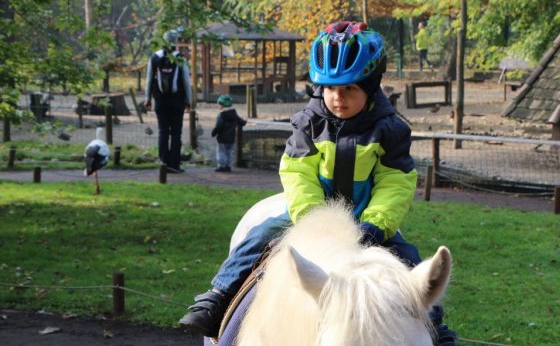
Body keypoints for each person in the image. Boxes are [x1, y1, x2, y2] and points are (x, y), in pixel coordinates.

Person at [179, 21, 460, 345]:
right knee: (257, 238)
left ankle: (436, 330)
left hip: (367, 218)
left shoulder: (390, 129)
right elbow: (298, 172)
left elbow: (395, 182)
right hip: (309, 214)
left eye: (349, 89)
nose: (338, 98)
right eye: (330, 88)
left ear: (369, 88)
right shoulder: (307, 122)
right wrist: (312, 218)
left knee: (408, 261)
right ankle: (218, 296)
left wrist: (374, 224)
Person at [144, 29, 192, 174]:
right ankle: (174, 165)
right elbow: (186, 81)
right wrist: (188, 100)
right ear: (176, 41)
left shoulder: (154, 57)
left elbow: (149, 79)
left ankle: (164, 163)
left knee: (163, 132)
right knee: (176, 133)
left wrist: (147, 99)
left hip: (160, 100)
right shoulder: (180, 58)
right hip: (177, 101)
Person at [211, 94, 247, 172]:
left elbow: (219, 126)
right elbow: (241, 122)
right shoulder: (234, 114)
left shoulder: (221, 115)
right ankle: (228, 166)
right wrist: (245, 122)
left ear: (222, 105)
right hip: (231, 137)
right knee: (229, 152)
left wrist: (213, 133)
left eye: (219, 104)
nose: (218, 106)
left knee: (221, 152)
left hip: (222, 137)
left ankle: (222, 166)